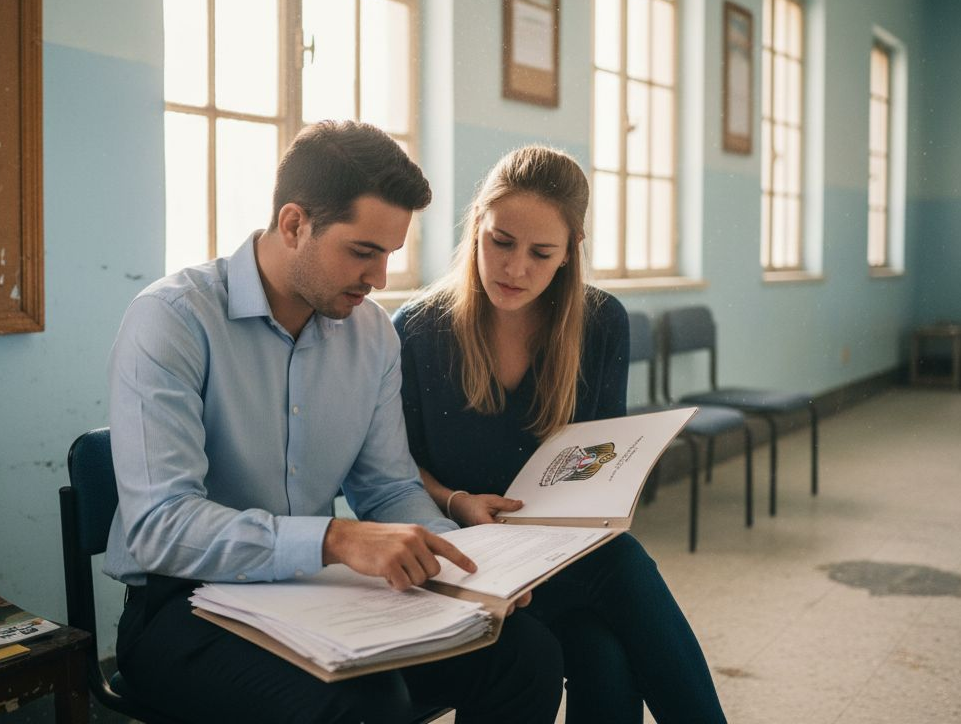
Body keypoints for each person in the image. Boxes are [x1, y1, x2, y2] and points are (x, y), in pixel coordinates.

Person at [105, 121, 564, 723]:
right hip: (182, 607)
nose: (378, 279)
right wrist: (333, 539)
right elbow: (161, 527)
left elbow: (389, 487)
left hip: (316, 593)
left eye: (390, 256)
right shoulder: (172, 320)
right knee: (361, 704)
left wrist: (468, 571)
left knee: (525, 654)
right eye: (362, 252)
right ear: (294, 224)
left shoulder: (371, 334)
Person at [393, 146, 728, 724]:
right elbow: (392, 464)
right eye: (501, 241)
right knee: (614, 608)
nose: (515, 268)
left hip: (556, 554)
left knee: (605, 649)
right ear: (477, 227)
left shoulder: (600, 324)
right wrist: (456, 501)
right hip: (459, 554)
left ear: (569, 254)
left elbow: (603, 469)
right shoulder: (419, 330)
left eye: (540, 253)